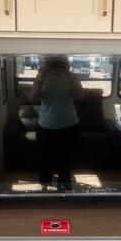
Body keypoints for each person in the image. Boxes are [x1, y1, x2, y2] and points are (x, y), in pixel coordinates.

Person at [29, 55, 85, 190]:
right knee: (44, 163)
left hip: (69, 126)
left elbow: (80, 96)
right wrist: (41, 76)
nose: (56, 64)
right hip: (45, 127)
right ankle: (44, 190)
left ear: (66, 62)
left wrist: (68, 73)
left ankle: (64, 192)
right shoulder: (42, 77)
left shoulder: (72, 76)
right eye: (53, 61)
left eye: (60, 61)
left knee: (65, 164)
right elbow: (33, 99)